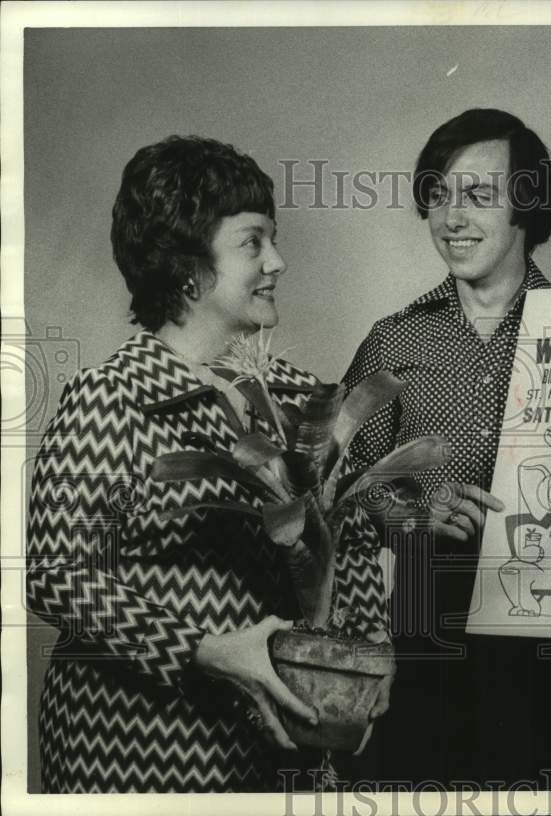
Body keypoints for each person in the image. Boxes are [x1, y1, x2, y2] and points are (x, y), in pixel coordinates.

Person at [26, 135, 386, 792]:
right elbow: (59, 573)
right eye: (253, 242)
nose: (277, 260)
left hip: (286, 761)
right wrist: (200, 650)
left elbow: (352, 537)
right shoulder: (114, 396)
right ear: (190, 268)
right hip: (139, 759)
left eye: (273, 239)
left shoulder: (306, 400)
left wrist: (367, 655)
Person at [341, 108, 551, 787]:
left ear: (526, 207)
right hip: (418, 625)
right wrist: (407, 511)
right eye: (439, 196)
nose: (452, 217)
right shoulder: (394, 341)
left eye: (479, 196)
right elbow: (331, 491)